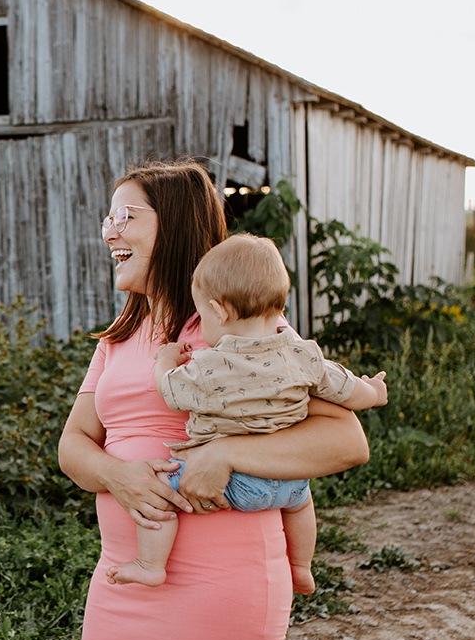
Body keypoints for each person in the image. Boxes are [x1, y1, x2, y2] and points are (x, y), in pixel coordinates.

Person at [57, 159, 371, 640]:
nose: (109, 229)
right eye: (109, 215)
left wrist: (227, 453)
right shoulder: (120, 336)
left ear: (175, 228)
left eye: (126, 215)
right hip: (129, 576)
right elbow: (74, 442)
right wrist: (118, 475)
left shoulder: (234, 328)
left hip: (220, 578)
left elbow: (346, 439)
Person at [106, 233, 388, 592]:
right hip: (289, 479)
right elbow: (350, 391)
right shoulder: (304, 355)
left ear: (220, 311)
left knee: (161, 492)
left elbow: (172, 393)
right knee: (302, 505)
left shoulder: (212, 365)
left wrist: (164, 362)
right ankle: (301, 566)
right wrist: (375, 392)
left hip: (234, 482)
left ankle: (150, 564)